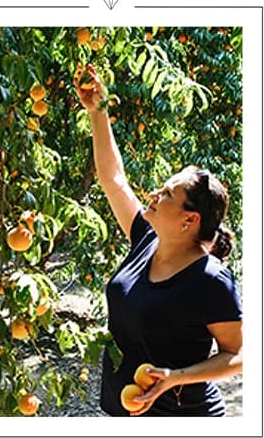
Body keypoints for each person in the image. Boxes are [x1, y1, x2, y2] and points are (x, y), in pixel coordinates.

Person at [74, 66, 242, 417]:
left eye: (167, 193)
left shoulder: (210, 280)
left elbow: (238, 355)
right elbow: (114, 179)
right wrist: (98, 111)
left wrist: (175, 378)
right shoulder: (146, 238)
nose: (153, 194)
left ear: (189, 220)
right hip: (125, 409)